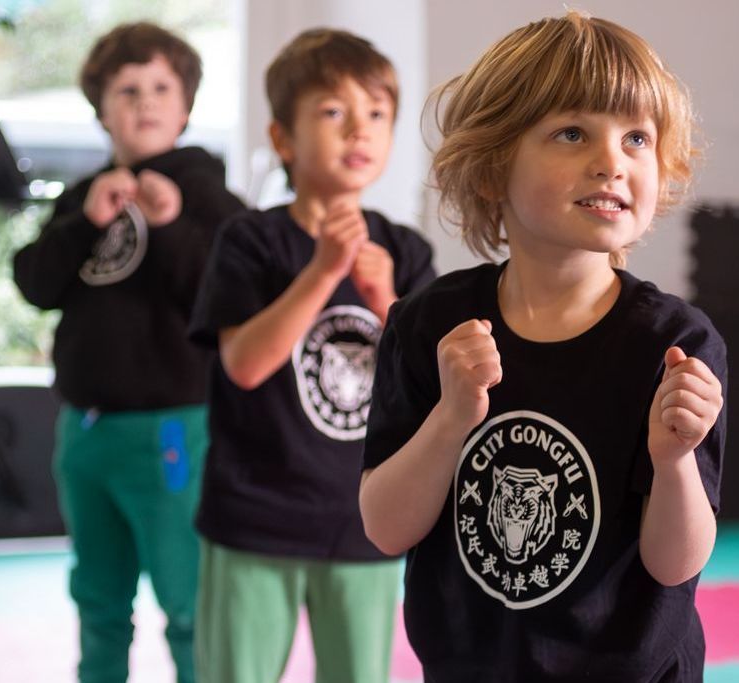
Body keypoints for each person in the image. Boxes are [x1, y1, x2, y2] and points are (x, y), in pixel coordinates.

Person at [359, 11, 727, 682]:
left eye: (637, 138)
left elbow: (674, 564)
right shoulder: (429, 324)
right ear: (493, 167)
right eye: (572, 132)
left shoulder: (673, 343)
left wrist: (673, 458)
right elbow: (385, 527)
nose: (611, 162)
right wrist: (450, 417)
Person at [187, 28, 436, 683]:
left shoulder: (404, 251)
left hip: (365, 518)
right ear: (283, 139)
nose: (359, 129)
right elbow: (243, 365)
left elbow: (431, 382)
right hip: (254, 517)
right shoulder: (250, 241)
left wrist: (386, 302)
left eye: (376, 113)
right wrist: (323, 271)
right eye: (332, 111)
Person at [12, 22, 244, 683]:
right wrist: (84, 221)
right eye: (128, 89)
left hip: (170, 431)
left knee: (188, 600)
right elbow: (35, 284)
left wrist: (168, 226)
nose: (145, 101)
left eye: (161, 88)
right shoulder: (84, 195)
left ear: (185, 107)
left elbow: (230, 293)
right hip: (85, 431)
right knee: (97, 598)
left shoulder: (205, 191)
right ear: (101, 110)